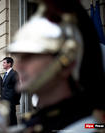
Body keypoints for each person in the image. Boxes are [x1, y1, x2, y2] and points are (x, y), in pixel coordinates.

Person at [6, 0, 105, 132]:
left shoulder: (90, 127)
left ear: (66, 64)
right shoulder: (34, 123)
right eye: (18, 55)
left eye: (29, 56)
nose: (18, 66)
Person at [2, 57, 21, 126]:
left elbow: (18, 89)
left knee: (12, 120)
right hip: (4, 102)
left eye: (4, 62)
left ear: (9, 64)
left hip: (10, 102)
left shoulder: (14, 74)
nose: (2, 64)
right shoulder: (5, 74)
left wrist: (14, 101)